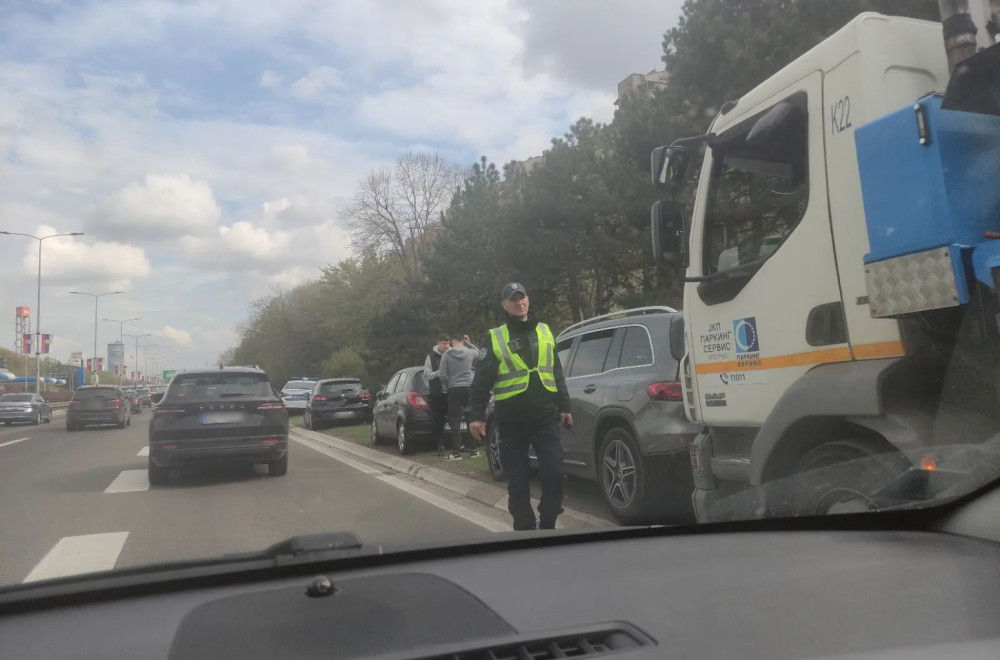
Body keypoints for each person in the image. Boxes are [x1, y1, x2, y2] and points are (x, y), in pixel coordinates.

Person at [469, 283, 572, 531]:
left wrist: (565, 405)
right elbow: (481, 380)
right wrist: (476, 416)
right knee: (517, 480)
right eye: (513, 299)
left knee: (555, 473)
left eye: (522, 297)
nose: (519, 302)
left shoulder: (546, 331)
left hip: (545, 416)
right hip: (511, 420)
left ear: (528, 299)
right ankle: (524, 529)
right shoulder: (495, 337)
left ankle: (548, 521)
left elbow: (556, 372)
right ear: (504, 305)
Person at [438, 331, 480, 461]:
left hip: (453, 389)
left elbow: (442, 375)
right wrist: (470, 344)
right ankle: (473, 450)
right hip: (468, 388)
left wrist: (449, 383)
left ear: (452, 341)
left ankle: (456, 453)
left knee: (455, 420)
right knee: (470, 418)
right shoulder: (470, 352)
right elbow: (481, 354)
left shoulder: (446, 355)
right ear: (463, 340)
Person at [423, 334, 450, 454]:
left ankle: (456, 444)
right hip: (437, 394)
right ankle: (439, 445)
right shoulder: (431, 357)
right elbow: (426, 374)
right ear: (438, 343)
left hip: (451, 392)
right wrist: (439, 373)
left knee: (454, 419)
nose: (446, 346)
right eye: (444, 343)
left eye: (448, 343)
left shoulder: (452, 354)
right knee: (438, 420)